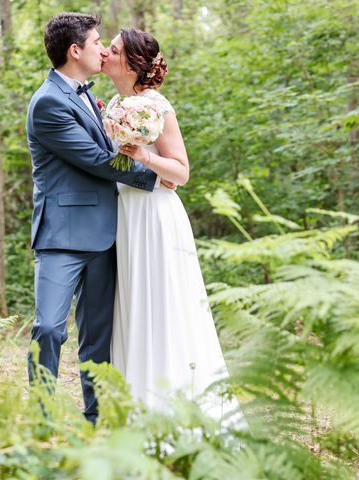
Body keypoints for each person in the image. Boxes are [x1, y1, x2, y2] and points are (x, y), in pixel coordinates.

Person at [101, 28, 246, 427]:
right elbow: (112, 163)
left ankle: (176, 413)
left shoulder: (156, 106)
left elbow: (181, 172)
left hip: (156, 216)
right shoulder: (113, 103)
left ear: (130, 64)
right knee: (132, 304)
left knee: (162, 303)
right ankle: (135, 411)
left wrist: (144, 155)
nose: (104, 53)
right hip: (126, 215)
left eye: (111, 50)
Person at [25, 13, 159, 424]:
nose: (104, 49)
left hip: (105, 233)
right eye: (98, 42)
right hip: (62, 236)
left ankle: (95, 418)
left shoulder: (92, 95)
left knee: (98, 336)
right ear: (75, 51)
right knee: (49, 327)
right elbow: (99, 161)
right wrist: (157, 173)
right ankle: (43, 419)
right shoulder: (48, 102)